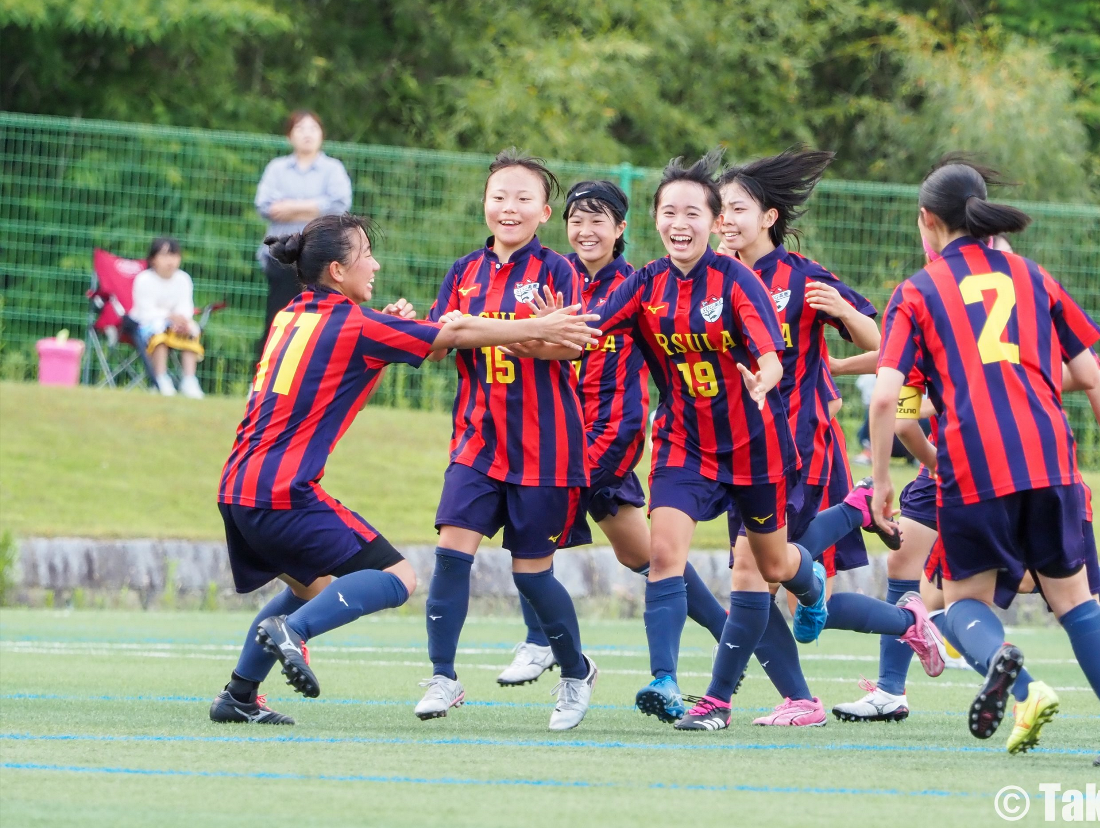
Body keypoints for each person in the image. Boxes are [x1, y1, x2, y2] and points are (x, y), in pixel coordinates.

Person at [209, 213, 596, 725]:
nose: (376, 262)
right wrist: (539, 326)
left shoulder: (292, 315)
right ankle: (295, 635)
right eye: (366, 253)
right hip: (283, 491)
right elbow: (450, 333)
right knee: (397, 577)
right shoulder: (354, 323)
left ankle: (239, 694)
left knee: (310, 585)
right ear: (337, 270)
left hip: (237, 488)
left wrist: (383, 339)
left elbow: (340, 380)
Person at [868, 154, 1100, 766]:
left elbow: (892, 397)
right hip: (1051, 457)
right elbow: (1089, 374)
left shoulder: (917, 291)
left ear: (927, 221)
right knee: (1075, 602)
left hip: (975, 462)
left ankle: (1016, 682)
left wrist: (879, 482)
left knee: (965, 600)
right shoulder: (1033, 275)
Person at [590, 152, 825, 731]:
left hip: (754, 446)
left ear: (713, 221)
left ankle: (809, 578)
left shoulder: (737, 279)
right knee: (664, 554)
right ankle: (667, 680)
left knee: (771, 565)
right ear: (655, 220)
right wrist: (540, 331)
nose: (679, 223)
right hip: (681, 445)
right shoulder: (644, 284)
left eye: (692, 212)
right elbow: (589, 329)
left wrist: (763, 378)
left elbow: (771, 356)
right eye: (668, 211)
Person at [499, 179, 732, 685]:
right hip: (559, 429)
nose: (585, 231)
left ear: (621, 228)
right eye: (576, 221)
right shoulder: (551, 279)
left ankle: (540, 642)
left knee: (533, 510)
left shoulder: (637, 285)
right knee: (646, 556)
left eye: (597, 220)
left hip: (610, 431)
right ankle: (732, 634)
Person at [716, 148, 911, 726]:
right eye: (719, 208)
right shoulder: (708, 277)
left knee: (753, 569)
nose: (724, 219)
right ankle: (905, 620)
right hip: (735, 446)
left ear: (768, 217)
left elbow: (883, 347)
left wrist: (846, 320)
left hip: (798, 442)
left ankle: (795, 700)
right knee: (775, 579)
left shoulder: (802, 277)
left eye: (736, 208)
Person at [416, 151, 603, 732]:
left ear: (544, 212)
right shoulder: (464, 272)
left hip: (545, 450)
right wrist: (524, 331)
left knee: (530, 574)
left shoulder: (560, 272)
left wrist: (529, 337)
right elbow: (440, 340)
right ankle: (443, 675)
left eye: (524, 198)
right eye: (500, 196)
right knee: (451, 553)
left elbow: (571, 344)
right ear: (485, 204)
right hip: (476, 440)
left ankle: (576, 672)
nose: (510, 207)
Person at [254, 110, 352, 359]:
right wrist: (316, 207)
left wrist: (290, 207)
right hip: (282, 257)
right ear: (289, 136)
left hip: (321, 258)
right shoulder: (277, 168)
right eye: (300, 128)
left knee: (319, 320)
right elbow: (265, 205)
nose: (307, 134)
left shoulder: (333, 169)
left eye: (312, 128)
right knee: (279, 317)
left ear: (322, 135)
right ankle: (265, 376)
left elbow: (340, 205)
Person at [128, 237, 204, 398]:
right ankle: (160, 379)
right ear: (152, 259)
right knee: (159, 332)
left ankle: (189, 380)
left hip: (175, 325)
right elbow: (145, 312)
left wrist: (182, 321)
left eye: (174, 255)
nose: (170, 261)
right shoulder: (144, 280)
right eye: (164, 255)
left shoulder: (183, 279)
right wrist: (169, 317)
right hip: (144, 326)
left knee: (191, 330)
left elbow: (186, 306)